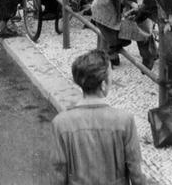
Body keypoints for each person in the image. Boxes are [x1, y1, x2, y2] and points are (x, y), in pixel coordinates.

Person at [49, 50, 146, 185]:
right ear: (103, 85)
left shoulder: (61, 123)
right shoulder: (125, 120)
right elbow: (135, 171)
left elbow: (58, 172)